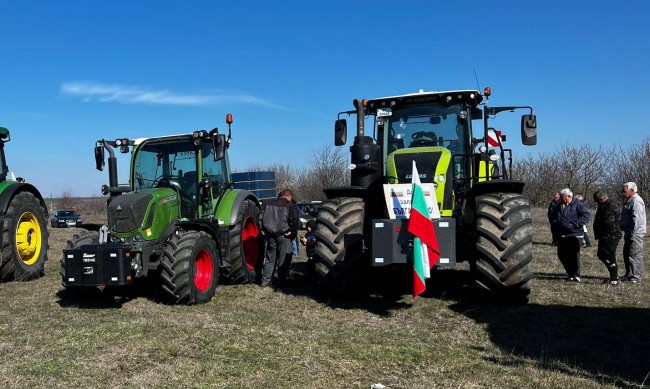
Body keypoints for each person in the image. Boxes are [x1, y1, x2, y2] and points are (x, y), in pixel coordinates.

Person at [260, 189, 300, 287]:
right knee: (283, 260)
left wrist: (262, 229)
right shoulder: (290, 205)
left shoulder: (268, 204)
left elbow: (260, 216)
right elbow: (295, 219)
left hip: (270, 235)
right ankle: (281, 282)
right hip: (284, 235)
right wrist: (293, 230)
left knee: (270, 259)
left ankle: (265, 281)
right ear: (289, 196)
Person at [549, 188, 591, 282]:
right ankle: (570, 273)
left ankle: (576, 275)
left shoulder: (579, 204)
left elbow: (586, 217)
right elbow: (554, 216)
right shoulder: (559, 205)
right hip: (561, 233)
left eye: (562, 197)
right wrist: (555, 223)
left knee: (573, 255)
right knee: (562, 255)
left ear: (569, 196)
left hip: (574, 233)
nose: (560, 198)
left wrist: (573, 224)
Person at [592, 190, 622, 285]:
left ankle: (614, 279)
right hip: (604, 235)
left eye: (596, 200)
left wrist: (605, 235)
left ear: (601, 199)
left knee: (608, 255)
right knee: (602, 254)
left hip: (610, 235)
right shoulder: (603, 205)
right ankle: (614, 277)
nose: (596, 203)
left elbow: (609, 223)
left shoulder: (610, 206)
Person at [620, 182, 646, 283]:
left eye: (625, 190)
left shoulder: (636, 201)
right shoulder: (630, 201)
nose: (623, 192)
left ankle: (636, 277)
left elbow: (637, 219)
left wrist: (633, 234)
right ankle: (629, 274)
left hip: (635, 233)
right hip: (629, 232)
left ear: (632, 190)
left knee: (635, 254)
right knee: (627, 254)